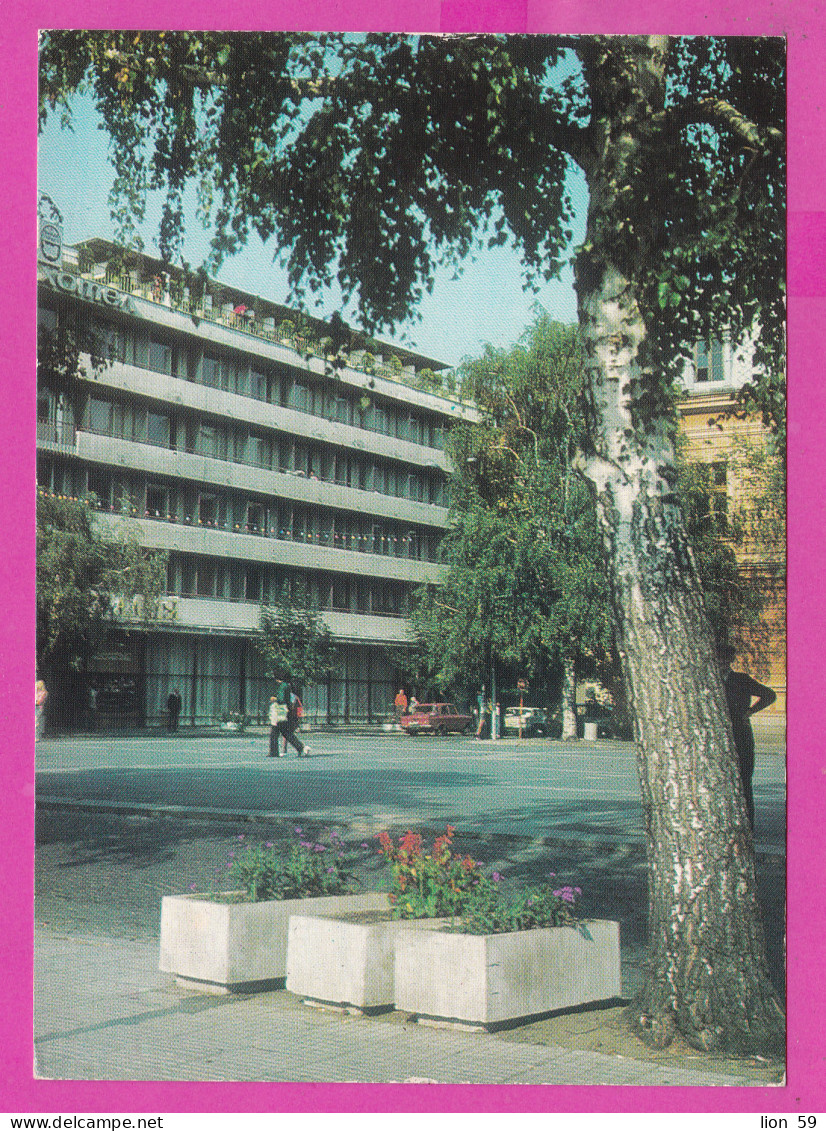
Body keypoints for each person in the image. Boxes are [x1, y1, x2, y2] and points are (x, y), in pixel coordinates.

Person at [720, 645, 777, 829]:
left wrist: (750, 712)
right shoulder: (708, 680)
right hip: (718, 738)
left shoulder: (740, 679)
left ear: (730, 660)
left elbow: (769, 695)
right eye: (717, 658)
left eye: (724, 659)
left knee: (744, 782)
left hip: (740, 735)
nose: (720, 662)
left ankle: (747, 828)